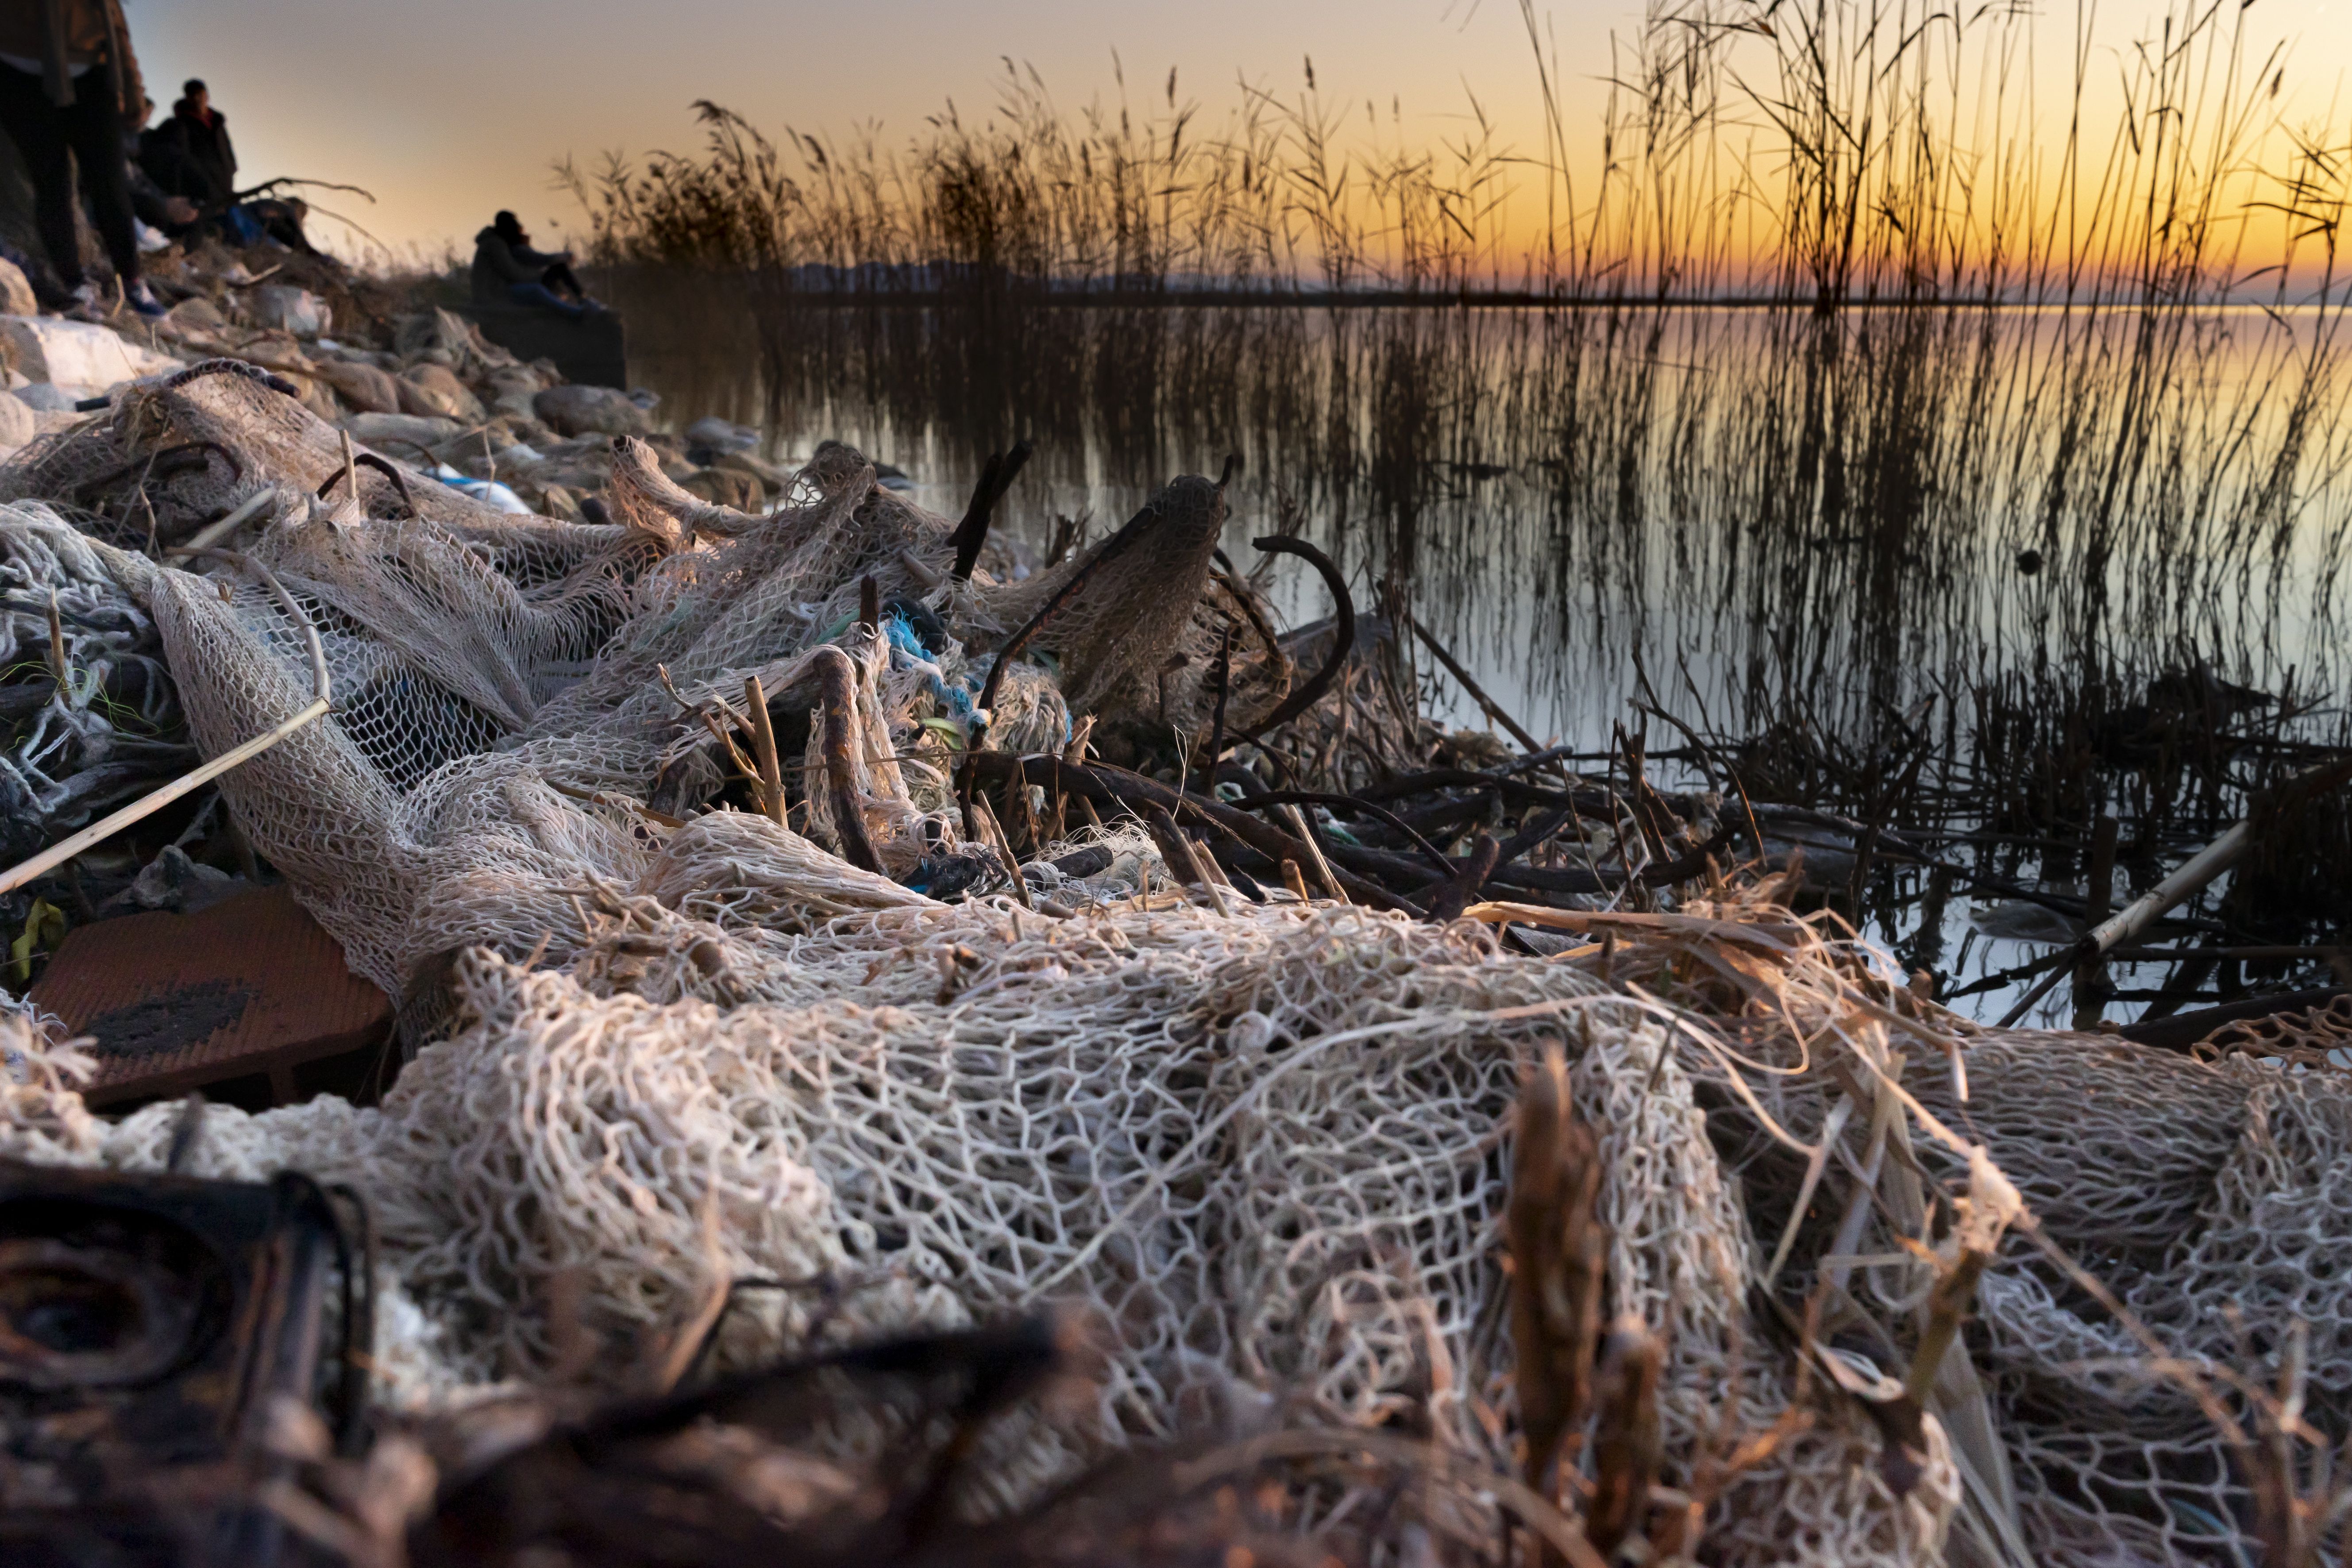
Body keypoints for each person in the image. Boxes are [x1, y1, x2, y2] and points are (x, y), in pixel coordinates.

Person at [0, 0, 163, 315]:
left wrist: (134, 94)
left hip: (90, 73)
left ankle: (132, 280)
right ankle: (73, 283)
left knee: (111, 186)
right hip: (15, 73)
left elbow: (114, 22)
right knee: (52, 183)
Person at [472, 210, 602, 319]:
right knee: (536, 290)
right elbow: (513, 273)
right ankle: (576, 313)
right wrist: (539, 277)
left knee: (553, 276)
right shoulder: (495, 244)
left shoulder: (498, 243)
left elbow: (523, 266)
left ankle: (583, 302)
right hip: (493, 296)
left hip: (497, 292)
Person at [139, 76, 234, 208]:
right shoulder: (180, 124)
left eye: (200, 94)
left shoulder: (218, 124)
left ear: (206, 95)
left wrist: (232, 168)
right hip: (200, 192)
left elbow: (228, 151)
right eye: (192, 95)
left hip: (225, 188)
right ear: (187, 97)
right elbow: (179, 158)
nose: (197, 98)